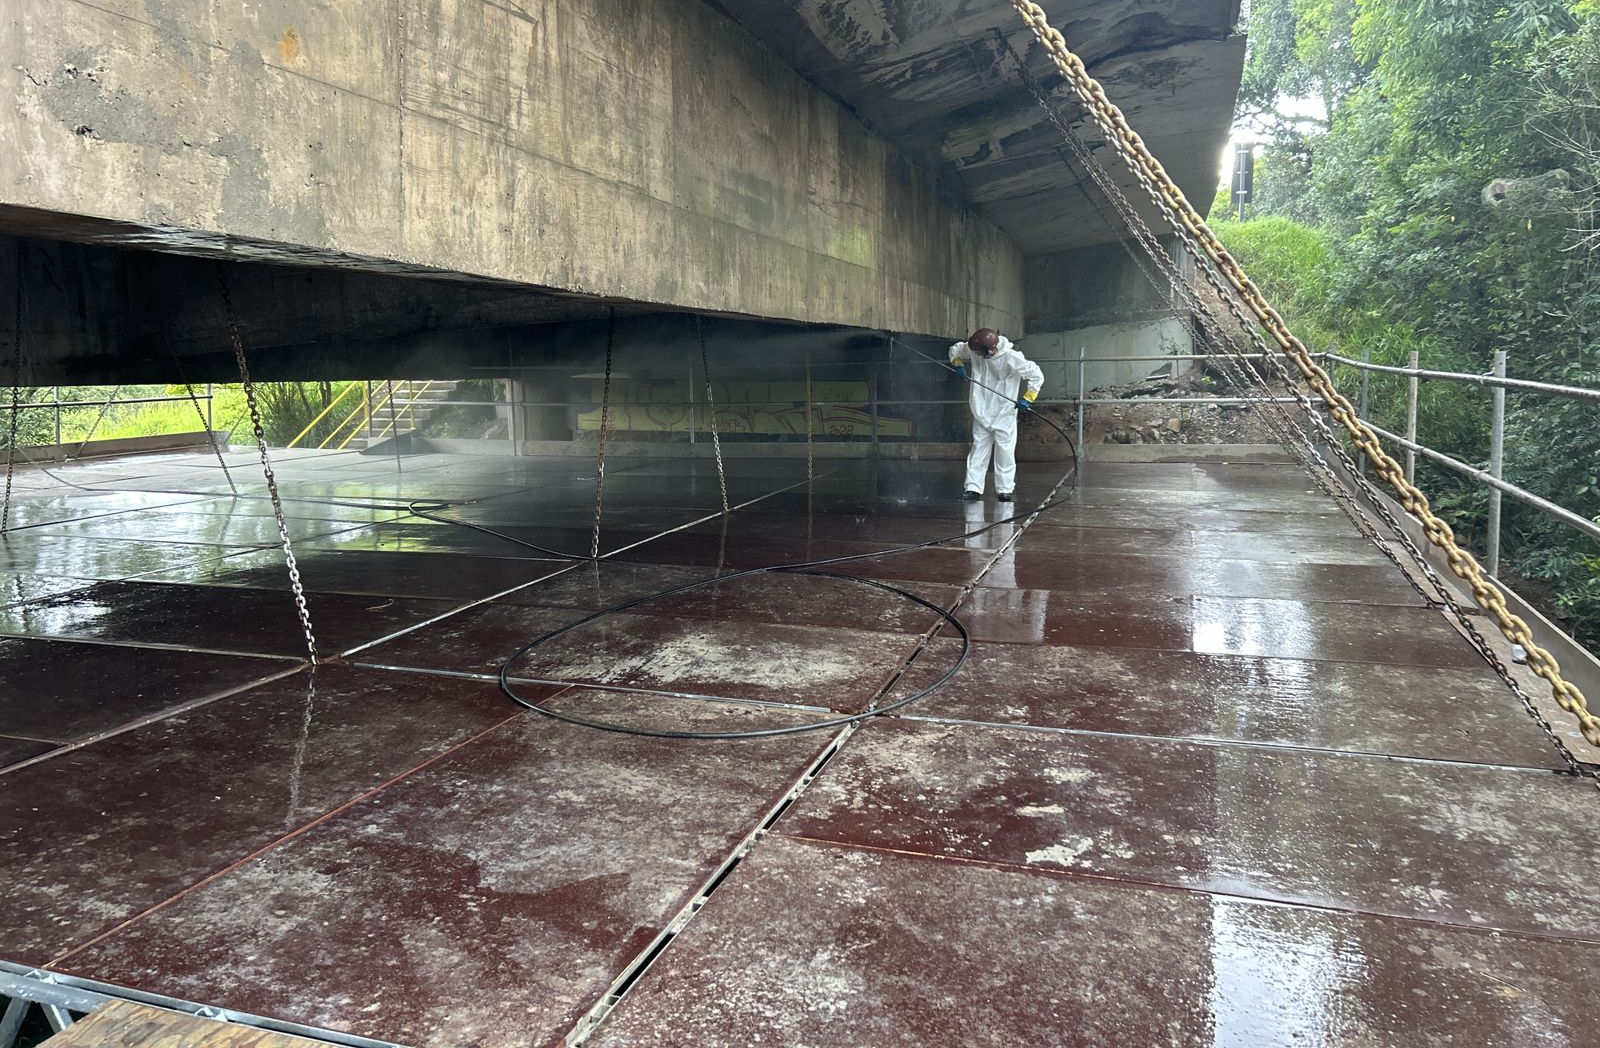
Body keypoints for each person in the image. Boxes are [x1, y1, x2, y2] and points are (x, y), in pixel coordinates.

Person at [949, 328, 1043, 502]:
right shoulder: (976, 351)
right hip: (980, 410)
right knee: (978, 449)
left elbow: (1036, 375)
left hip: (1004, 413)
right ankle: (973, 488)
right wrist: (958, 364)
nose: (974, 355)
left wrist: (1028, 398)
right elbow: (955, 349)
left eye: (978, 353)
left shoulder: (1011, 357)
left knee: (1005, 452)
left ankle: (1005, 490)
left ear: (991, 350)